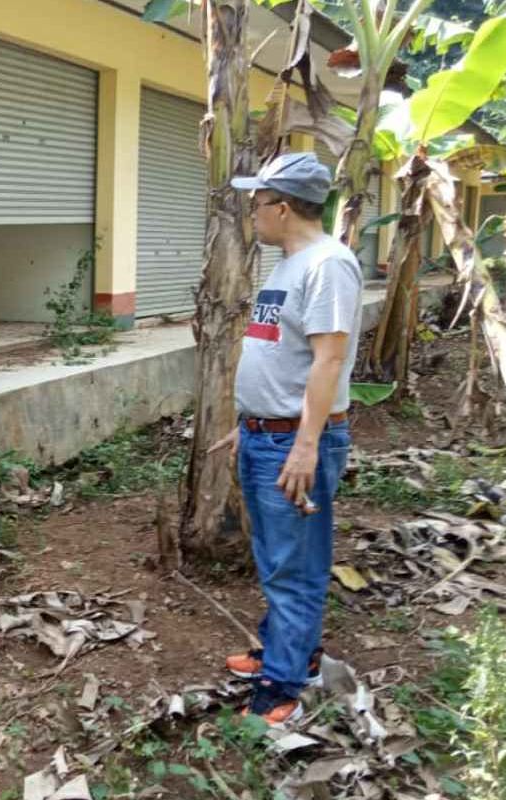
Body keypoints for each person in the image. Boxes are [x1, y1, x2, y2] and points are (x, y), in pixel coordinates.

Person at [212, 152, 362, 726]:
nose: (252, 213)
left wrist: (302, 443)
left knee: (293, 564)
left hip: (293, 442)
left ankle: (284, 683)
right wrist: (250, 420)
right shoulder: (289, 264)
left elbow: (329, 360)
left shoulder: (327, 265)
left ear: (281, 206)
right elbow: (284, 353)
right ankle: (287, 649)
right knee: (279, 556)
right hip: (266, 433)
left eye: (257, 203)